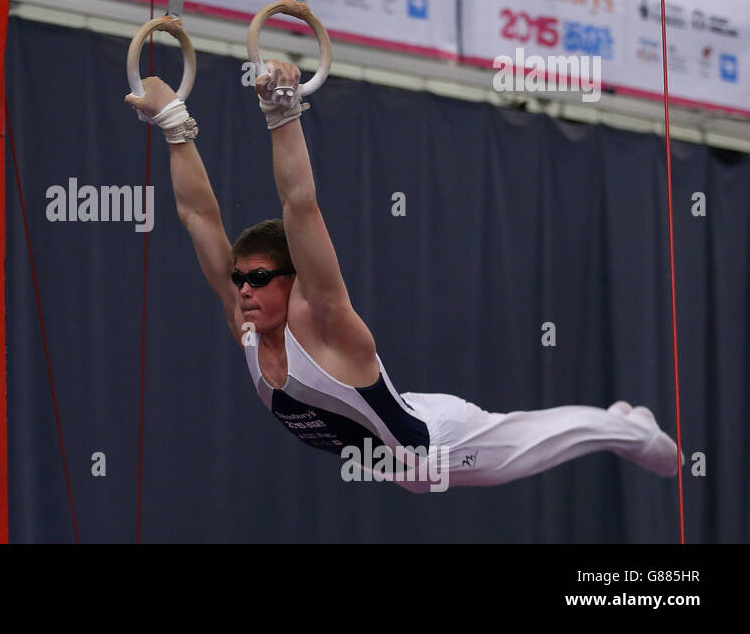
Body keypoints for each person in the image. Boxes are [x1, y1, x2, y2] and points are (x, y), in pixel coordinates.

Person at [124, 60, 680, 492]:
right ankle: (622, 423)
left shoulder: (328, 326)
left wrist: (283, 114)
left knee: (549, 436)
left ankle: (633, 431)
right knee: (435, 419)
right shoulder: (246, 324)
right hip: (403, 414)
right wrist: (173, 123)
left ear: (295, 282)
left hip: (435, 451)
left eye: (260, 278)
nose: (242, 290)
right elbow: (199, 215)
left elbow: (302, 206)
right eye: (241, 279)